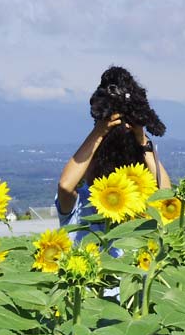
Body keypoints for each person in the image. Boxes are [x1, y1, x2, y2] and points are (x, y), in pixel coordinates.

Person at [56, 66, 171, 245]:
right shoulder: (81, 202)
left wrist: (141, 140)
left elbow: (166, 196)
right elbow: (65, 186)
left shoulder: (139, 206)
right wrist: (99, 132)